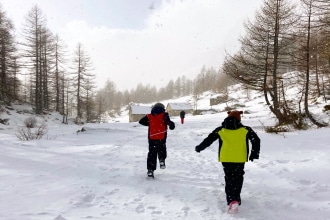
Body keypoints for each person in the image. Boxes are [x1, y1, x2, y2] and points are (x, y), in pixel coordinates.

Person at [194, 110, 260, 213]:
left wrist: (200, 147)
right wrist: (254, 153)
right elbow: (256, 140)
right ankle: (236, 198)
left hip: (226, 158)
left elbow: (209, 139)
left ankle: (231, 200)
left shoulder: (221, 129)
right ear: (239, 119)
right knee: (238, 177)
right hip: (239, 158)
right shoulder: (245, 130)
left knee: (229, 178)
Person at [139, 103, 175, 178]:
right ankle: (162, 161)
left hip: (152, 138)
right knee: (162, 149)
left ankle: (150, 171)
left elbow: (141, 121)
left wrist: (150, 123)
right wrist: (171, 125)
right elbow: (168, 122)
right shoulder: (164, 115)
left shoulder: (149, 116)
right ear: (162, 108)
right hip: (161, 137)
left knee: (152, 154)